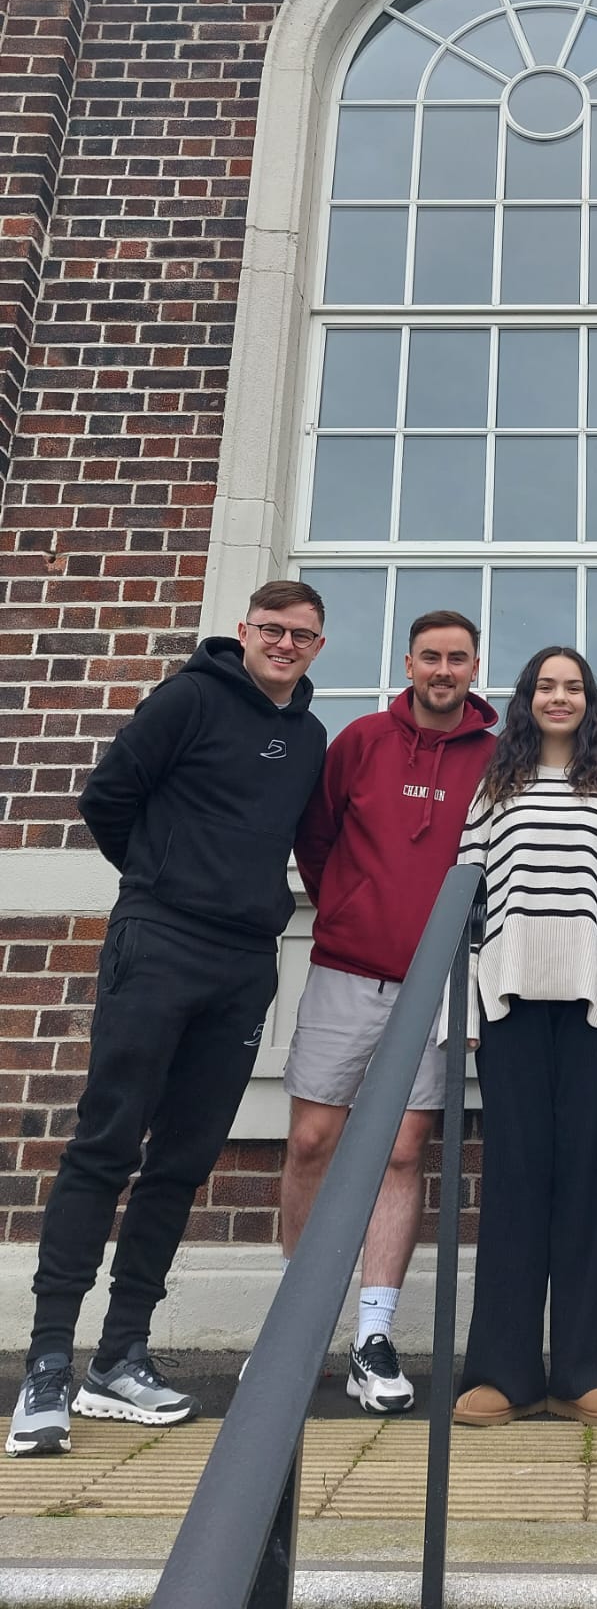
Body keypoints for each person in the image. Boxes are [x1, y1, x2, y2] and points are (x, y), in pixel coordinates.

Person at [6, 581, 328, 1458]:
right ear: (244, 631)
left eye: (302, 635)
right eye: (273, 630)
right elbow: (107, 797)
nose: (286, 645)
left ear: (319, 645)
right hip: (159, 941)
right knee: (105, 1145)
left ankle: (121, 1356)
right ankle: (46, 1366)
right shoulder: (187, 697)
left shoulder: (309, 738)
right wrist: (159, 877)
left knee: (181, 1163)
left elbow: (308, 842)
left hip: (242, 966)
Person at [285, 611, 497, 1414]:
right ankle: (294, 1330)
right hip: (347, 967)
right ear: (407, 662)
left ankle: (372, 1337)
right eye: (430, 657)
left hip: (438, 982)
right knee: (312, 1139)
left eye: (458, 658)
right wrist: (346, 903)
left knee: (404, 1153)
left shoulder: (495, 755)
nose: (443, 670)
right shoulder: (362, 741)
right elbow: (317, 836)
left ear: (476, 666)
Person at [451, 646, 597, 1430]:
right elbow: (465, 910)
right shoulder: (492, 790)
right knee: (510, 1184)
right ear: (527, 700)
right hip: (506, 1004)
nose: (560, 697)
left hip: (595, 1004)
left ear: (590, 701)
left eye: (573, 687)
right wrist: (462, 1016)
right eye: (547, 686)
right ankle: (502, 1373)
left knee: (589, 1187)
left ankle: (587, 1370)